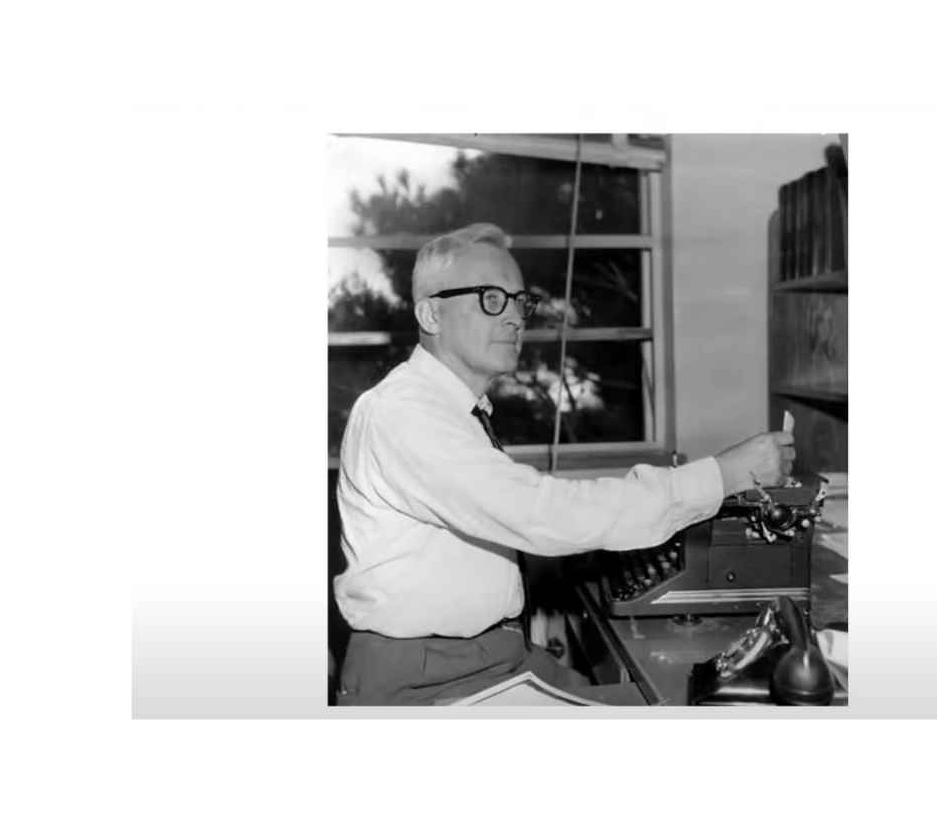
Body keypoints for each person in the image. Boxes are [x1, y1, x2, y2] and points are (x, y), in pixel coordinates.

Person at [332, 222, 795, 705]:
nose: (515, 317)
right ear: (430, 314)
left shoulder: (453, 409)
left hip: (488, 656)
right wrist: (724, 474)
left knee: (659, 697)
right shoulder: (404, 412)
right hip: (426, 680)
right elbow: (539, 511)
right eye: (492, 298)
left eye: (520, 301)